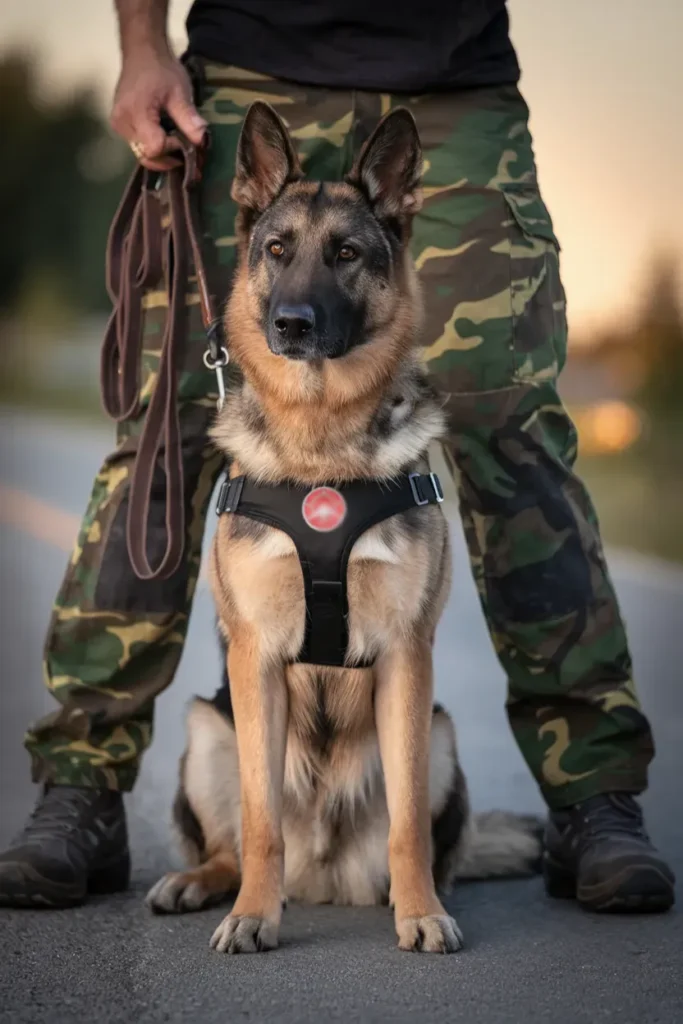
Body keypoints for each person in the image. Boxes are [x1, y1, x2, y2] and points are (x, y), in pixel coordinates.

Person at [0, 0, 675, 913]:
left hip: (451, 78)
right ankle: (81, 779)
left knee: (510, 424)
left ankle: (591, 791)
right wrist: (140, 43)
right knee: (167, 421)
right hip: (249, 68)